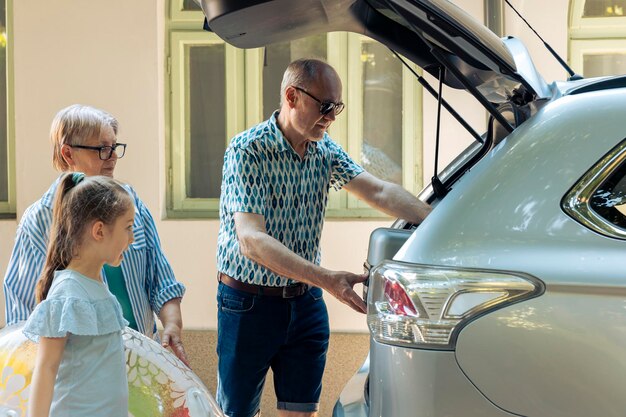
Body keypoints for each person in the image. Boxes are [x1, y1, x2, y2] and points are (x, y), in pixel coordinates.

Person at [216, 58, 432, 417]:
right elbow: (251, 240)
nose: (331, 117)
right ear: (292, 96)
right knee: (237, 413)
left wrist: (435, 221)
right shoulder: (248, 150)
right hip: (248, 304)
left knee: (302, 411)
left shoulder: (323, 148)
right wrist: (328, 280)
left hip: (305, 303)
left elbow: (377, 191)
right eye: (325, 106)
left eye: (337, 108)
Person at [2, 104, 189, 365]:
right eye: (102, 149)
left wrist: (172, 327)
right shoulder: (39, 221)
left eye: (114, 147)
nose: (112, 156)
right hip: (78, 371)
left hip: (141, 363)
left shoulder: (130, 205)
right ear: (68, 153)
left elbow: (162, 280)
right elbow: (22, 315)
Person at [25, 173, 133, 417]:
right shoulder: (68, 293)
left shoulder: (97, 285)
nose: (132, 238)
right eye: (128, 227)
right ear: (99, 231)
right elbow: (46, 368)